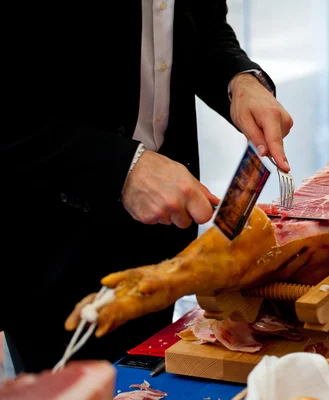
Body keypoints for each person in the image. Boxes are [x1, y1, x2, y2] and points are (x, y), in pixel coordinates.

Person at [2, 0, 293, 373]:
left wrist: (240, 79)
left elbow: (204, 27)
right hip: (51, 244)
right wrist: (122, 167)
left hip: (164, 232)